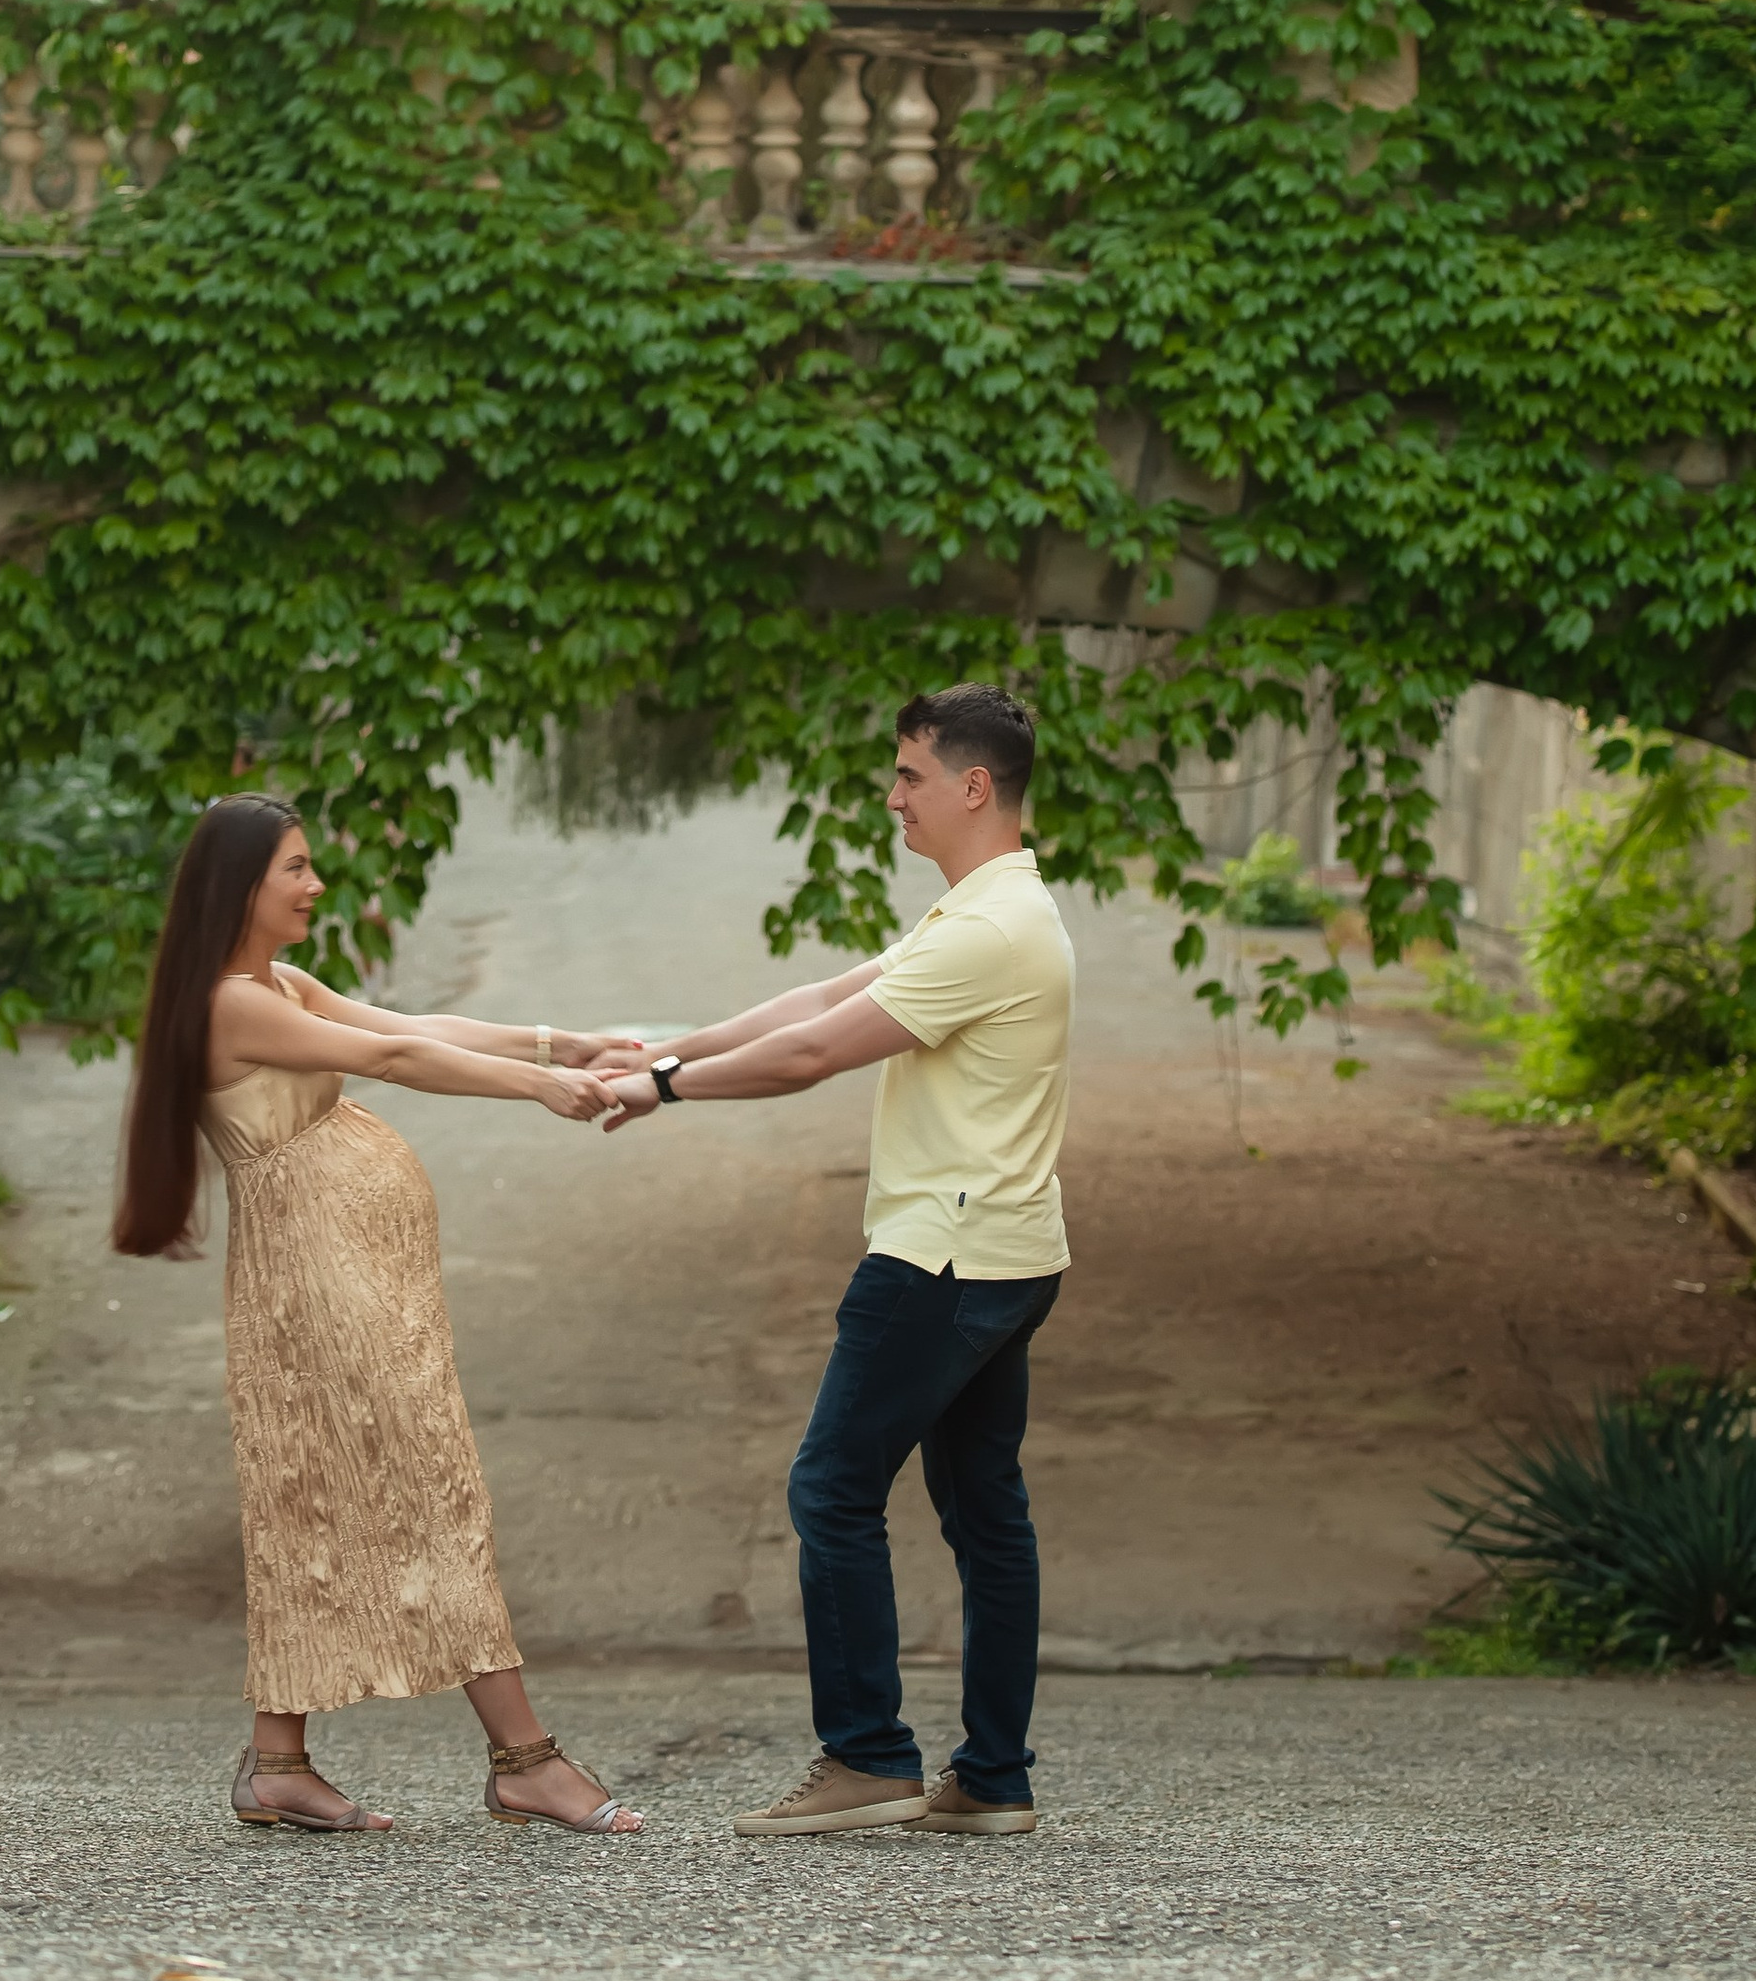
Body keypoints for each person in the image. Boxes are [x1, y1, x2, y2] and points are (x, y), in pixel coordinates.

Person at [113, 791, 645, 1835]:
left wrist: (559, 1042)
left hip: (353, 1270)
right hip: (318, 1280)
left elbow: (410, 1024)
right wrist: (534, 1090)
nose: (316, 886)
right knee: (423, 1487)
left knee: (314, 1490)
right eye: (296, 870)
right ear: (242, 887)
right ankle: (523, 1757)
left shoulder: (275, 983)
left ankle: (279, 1761)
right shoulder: (233, 1003)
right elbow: (395, 1062)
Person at [600, 684, 1070, 1838]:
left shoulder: (990, 928)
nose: (892, 796)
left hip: (943, 1258)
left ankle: (867, 1759)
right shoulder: (982, 913)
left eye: (909, 775)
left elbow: (812, 1052)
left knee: (832, 1491)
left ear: (972, 787)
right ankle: (992, 1781)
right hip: (1002, 1252)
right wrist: (669, 1047)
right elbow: (820, 997)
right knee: (985, 1515)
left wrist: (660, 1090)